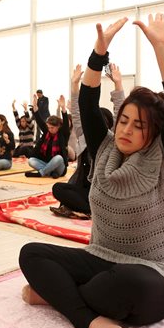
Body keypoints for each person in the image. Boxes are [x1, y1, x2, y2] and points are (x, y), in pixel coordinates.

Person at [19, 14, 164, 328]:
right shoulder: (105, 149)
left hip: (152, 274)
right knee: (31, 254)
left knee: (125, 284)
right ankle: (88, 319)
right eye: (123, 120)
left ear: (154, 131)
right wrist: (99, 53)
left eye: (138, 125)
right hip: (100, 258)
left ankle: (58, 295)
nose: (126, 129)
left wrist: (162, 47)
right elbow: (86, 101)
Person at [50, 64, 115, 219]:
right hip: (82, 188)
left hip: (100, 193)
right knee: (57, 188)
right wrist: (74, 85)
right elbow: (78, 113)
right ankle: (78, 207)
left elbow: (120, 113)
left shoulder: (111, 141)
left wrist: (117, 84)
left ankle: (87, 209)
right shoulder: (84, 136)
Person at [24, 93, 70, 178]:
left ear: (58, 126)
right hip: (47, 163)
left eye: (52, 127)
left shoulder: (62, 134)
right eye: (48, 127)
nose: (50, 129)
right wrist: (35, 108)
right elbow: (40, 121)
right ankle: (49, 172)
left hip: (60, 167)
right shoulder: (47, 132)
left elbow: (66, 124)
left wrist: (63, 108)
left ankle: (41, 173)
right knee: (31, 160)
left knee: (59, 158)